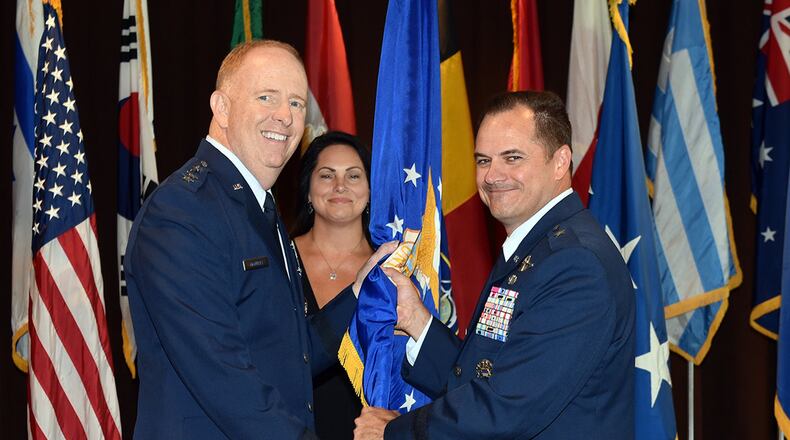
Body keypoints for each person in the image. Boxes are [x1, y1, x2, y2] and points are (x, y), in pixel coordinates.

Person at [125, 40, 393, 440]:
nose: (284, 116)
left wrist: (359, 291)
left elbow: (293, 352)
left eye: (296, 103)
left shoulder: (258, 206)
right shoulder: (181, 212)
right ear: (222, 107)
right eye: (266, 97)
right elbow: (222, 376)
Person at [354, 91, 636, 439]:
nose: (492, 176)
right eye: (483, 160)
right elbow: (485, 373)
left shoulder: (575, 264)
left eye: (512, 158)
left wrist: (393, 433)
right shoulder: (534, 247)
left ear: (560, 162)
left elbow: (508, 407)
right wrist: (417, 320)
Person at [291, 131, 373, 439]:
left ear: (369, 189)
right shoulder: (277, 259)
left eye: (353, 176)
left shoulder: (391, 269)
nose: (340, 186)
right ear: (308, 189)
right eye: (327, 175)